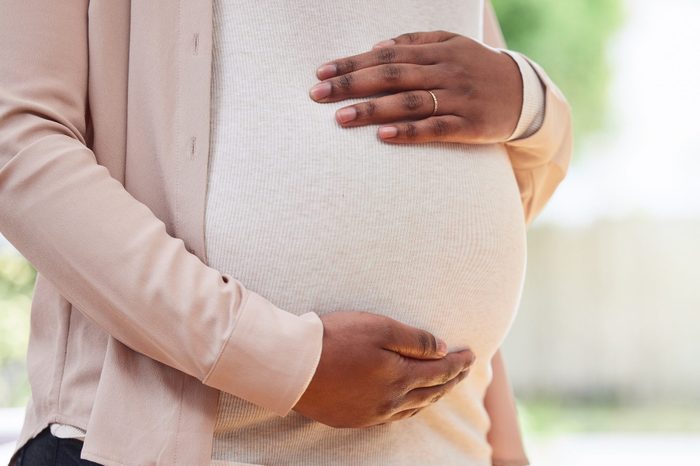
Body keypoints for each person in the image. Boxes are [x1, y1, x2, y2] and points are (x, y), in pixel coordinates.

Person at [0, 0, 571, 465]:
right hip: (171, 446)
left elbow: (490, 186)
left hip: (448, 438)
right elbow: (19, 143)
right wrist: (283, 361)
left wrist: (532, 102)